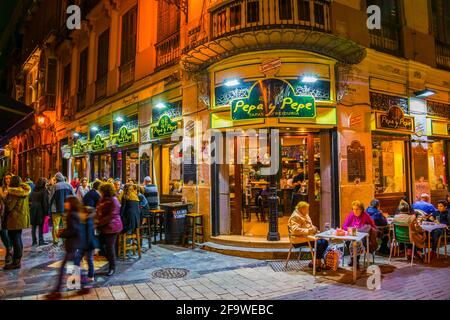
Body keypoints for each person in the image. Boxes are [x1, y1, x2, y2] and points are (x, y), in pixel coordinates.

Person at [46, 196, 83, 299]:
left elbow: (74, 230)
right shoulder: (73, 214)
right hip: (74, 245)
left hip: (73, 245)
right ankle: (77, 285)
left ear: (71, 203)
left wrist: (61, 234)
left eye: (66, 202)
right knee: (74, 266)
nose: (64, 203)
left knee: (64, 267)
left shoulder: (72, 215)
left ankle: (57, 290)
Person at [288, 202, 329, 271]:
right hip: (298, 238)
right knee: (318, 243)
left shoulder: (305, 215)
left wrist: (315, 229)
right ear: (301, 209)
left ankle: (315, 262)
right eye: (307, 209)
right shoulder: (295, 217)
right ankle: (316, 263)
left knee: (325, 242)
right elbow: (295, 230)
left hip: (307, 237)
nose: (308, 211)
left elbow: (310, 226)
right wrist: (309, 230)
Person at [3, 176, 31, 270]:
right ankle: (17, 259)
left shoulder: (13, 193)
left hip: (14, 219)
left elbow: (9, 207)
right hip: (21, 218)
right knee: (18, 238)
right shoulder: (23, 191)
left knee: (15, 239)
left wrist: (4, 198)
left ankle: (16, 261)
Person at [96, 183, 123, 276]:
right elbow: (98, 209)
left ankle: (112, 267)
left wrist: (99, 222)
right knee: (99, 244)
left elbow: (112, 215)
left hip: (113, 227)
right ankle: (111, 261)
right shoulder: (102, 199)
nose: (100, 193)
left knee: (110, 247)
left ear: (106, 191)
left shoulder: (114, 200)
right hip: (104, 227)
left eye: (101, 191)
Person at [342, 201, 377, 268]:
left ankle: (355, 261)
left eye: (357, 209)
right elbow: (344, 226)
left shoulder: (365, 215)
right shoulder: (351, 214)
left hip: (362, 238)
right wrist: (350, 229)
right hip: (352, 236)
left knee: (357, 242)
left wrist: (367, 230)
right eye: (353, 209)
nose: (355, 211)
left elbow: (373, 226)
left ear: (361, 209)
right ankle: (354, 260)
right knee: (348, 242)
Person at [50, 172, 75, 245]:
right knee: (66, 224)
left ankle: (56, 240)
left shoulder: (54, 186)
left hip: (56, 209)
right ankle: (66, 238)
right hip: (67, 209)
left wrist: (49, 208)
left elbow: (50, 199)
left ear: (57, 179)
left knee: (56, 225)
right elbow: (74, 197)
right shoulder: (69, 185)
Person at [30, 178, 49, 246]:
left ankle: (34, 241)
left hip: (33, 209)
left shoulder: (33, 190)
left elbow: (30, 199)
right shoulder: (44, 191)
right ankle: (41, 241)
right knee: (41, 226)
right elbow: (45, 203)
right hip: (40, 210)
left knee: (33, 226)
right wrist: (47, 212)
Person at [0, 173, 12, 265]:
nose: (7, 180)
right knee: (3, 232)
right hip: (2, 213)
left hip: (12, 214)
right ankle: (9, 249)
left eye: (9, 178)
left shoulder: (15, 189)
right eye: (6, 178)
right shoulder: (1, 189)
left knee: (10, 233)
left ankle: (9, 252)